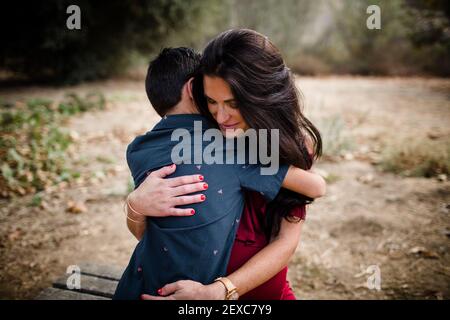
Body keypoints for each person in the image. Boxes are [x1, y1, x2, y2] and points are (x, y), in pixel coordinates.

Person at [114, 42, 325, 300]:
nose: (221, 116)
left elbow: (287, 241)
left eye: (233, 103)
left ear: (259, 96)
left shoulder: (282, 148)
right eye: (211, 101)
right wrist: (135, 206)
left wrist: (219, 291)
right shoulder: (198, 143)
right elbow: (161, 237)